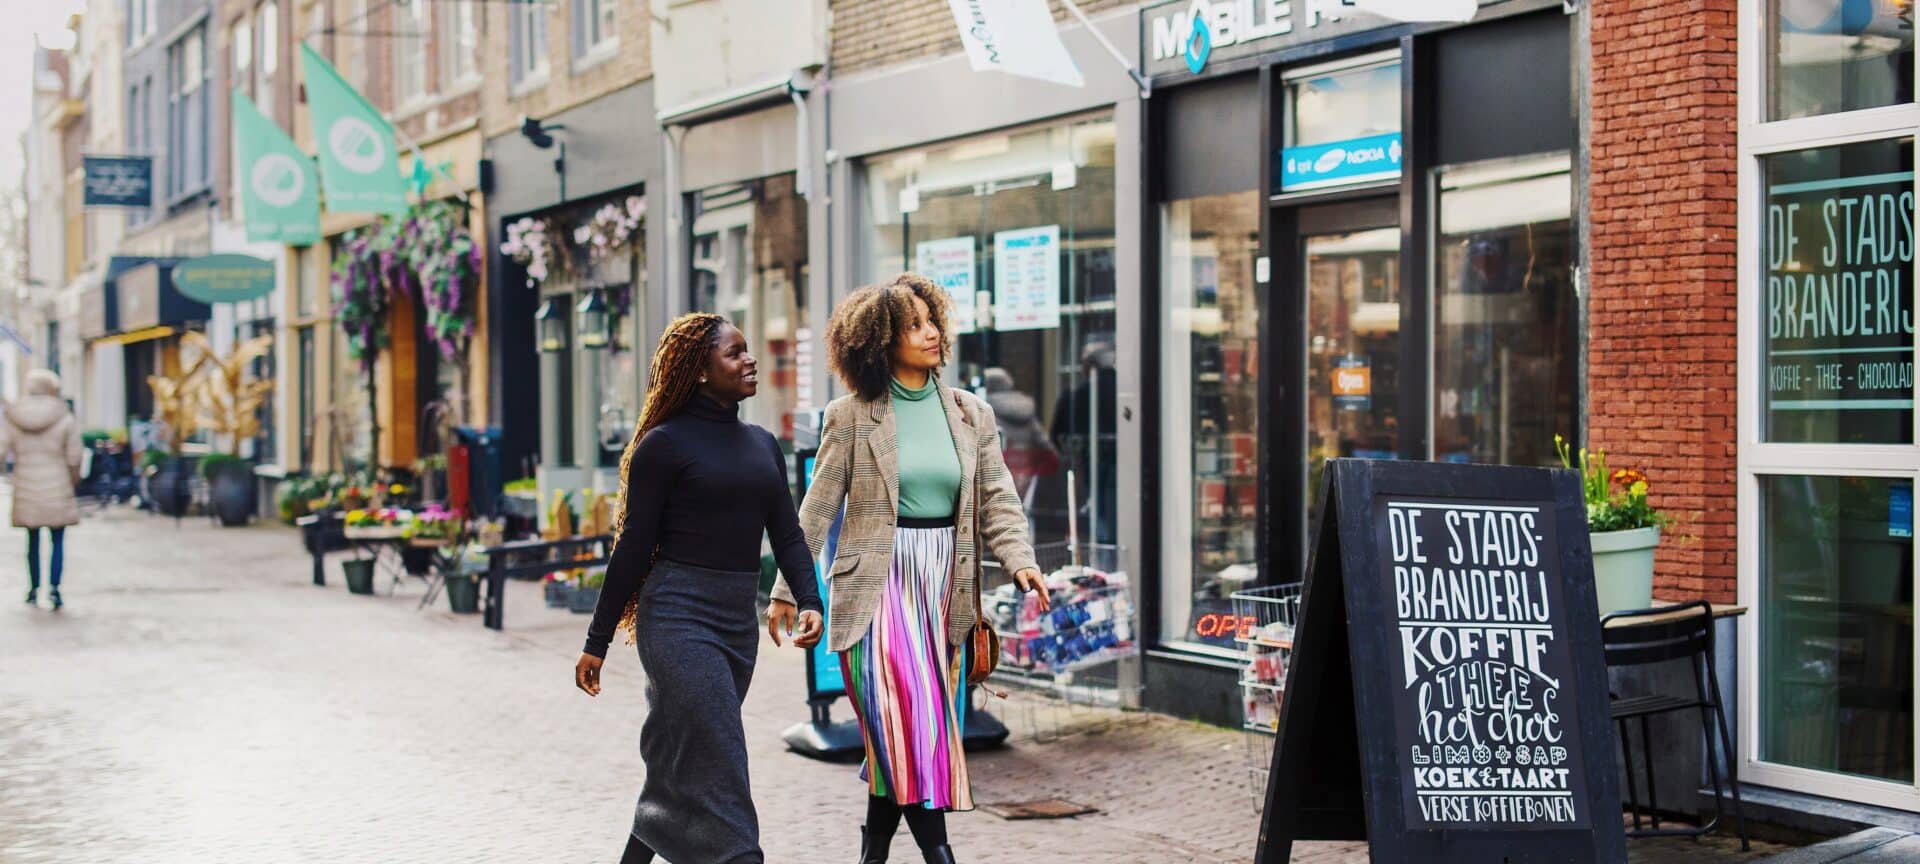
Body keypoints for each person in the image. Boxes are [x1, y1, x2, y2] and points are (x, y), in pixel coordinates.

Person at [768, 273, 1046, 864]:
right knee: (915, 725)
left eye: (931, 320)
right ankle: (939, 856)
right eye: (913, 325)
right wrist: (787, 592)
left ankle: (872, 855)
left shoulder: (973, 414)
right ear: (879, 342)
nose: (931, 333)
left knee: (906, 734)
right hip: (877, 590)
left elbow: (998, 500)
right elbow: (815, 510)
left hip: (945, 588)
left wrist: (1020, 561)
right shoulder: (850, 416)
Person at [573, 313, 825, 864]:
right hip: (677, 619)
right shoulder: (662, 447)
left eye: (746, 349)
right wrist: (597, 640)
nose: (749, 359)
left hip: (736, 623)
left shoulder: (761, 444)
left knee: (674, 758)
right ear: (700, 370)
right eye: (734, 353)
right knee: (720, 754)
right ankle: (741, 856)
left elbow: (787, 533)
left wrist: (810, 599)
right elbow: (633, 548)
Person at [1, 369, 83, 610]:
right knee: (58, 539)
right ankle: (55, 588)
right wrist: (73, 477)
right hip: (57, 483)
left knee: (32, 539)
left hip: (26, 484)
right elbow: (74, 454)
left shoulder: (14, 415)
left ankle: (33, 587)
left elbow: (1, 447)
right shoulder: (64, 416)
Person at [1049, 341, 1118, 545]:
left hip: (1088, 465)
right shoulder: (1127, 393)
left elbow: (1057, 433)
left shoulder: (1075, 395)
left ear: (1089, 365)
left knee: (1098, 513)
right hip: (1121, 467)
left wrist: (1074, 454)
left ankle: (1102, 552)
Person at [980, 367, 1057, 505]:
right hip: (1027, 467)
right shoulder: (1025, 408)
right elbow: (1042, 440)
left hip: (1000, 465)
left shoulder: (983, 407)